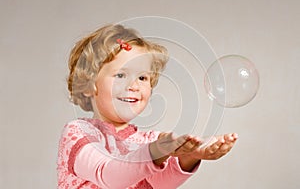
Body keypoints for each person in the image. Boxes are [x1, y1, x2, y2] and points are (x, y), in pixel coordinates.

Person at [57, 24, 238, 189]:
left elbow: (159, 184)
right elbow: (108, 174)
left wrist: (189, 156)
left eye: (142, 78)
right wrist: (154, 152)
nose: (134, 86)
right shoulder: (79, 132)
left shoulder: (151, 140)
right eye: (120, 75)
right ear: (89, 85)